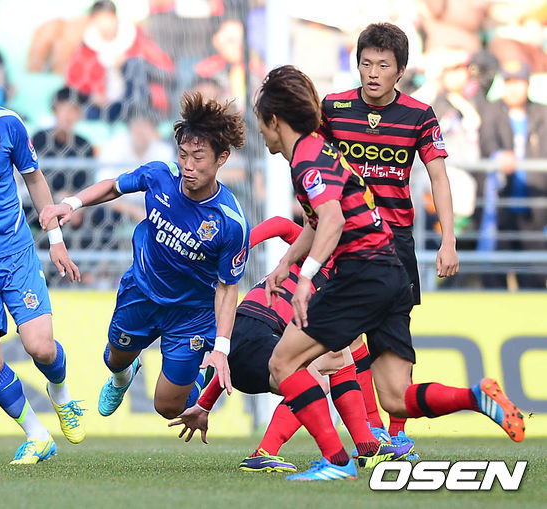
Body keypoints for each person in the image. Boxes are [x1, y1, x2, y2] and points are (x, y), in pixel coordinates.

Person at [254, 64, 524, 482]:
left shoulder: (306, 157)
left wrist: (305, 278)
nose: (261, 133)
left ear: (274, 121)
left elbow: (332, 220)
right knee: (396, 398)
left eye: (261, 123)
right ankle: (476, 397)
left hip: (362, 274)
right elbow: (319, 219)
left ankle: (336, 462)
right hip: (392, 272)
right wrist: (285, 263)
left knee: (282, 362)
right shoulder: (320, 149)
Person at [39, 91, 250, 423]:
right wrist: (71, 204)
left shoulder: (230, 222)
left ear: (222, 158)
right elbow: (114, 186)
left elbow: (227, 287)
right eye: (183, 155)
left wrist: (221, 349)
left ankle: (194, 378)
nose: (188, 166)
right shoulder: (160, 175)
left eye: (198, 158)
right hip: (141, 292)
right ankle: (123, 376)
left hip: (191, 315)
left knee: (167, 407)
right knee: (114, 359)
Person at [169, 216, 414, 471]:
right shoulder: (323, 254)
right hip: (256, 337)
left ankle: (368, 447)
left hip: (248, 345)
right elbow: (281, 224)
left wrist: (205, 405)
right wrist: (238, 249)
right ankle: (264, 452)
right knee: (316, 380)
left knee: (340, 358)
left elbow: (237, 354)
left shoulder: (334, 269)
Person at [318, 22, 459, 446]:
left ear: (400, 70)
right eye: (366, 64)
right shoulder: (334, 108)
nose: (373, 73)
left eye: (383, 65)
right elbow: (314, 165)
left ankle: (396, 438)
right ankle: (369, 432)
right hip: (344, 239)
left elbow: (439, 176)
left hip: (395, 243)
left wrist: (448, 240)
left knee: (393, 341)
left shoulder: (419, 114)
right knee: (337, 341)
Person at [0, 40, 85, 464]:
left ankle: (61, 394)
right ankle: (37, 435)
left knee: (41, 348)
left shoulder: (6, 124)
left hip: (14, 253)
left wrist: (55, 240)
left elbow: (34, 179)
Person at [477, 59, 547, 289]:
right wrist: (498, 155)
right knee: (494, 276)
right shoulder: (492, 109)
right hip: (500, 205)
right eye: (508, 82)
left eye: (518, 82)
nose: (513, 88)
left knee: (535, 278)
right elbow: (487, 140)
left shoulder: (541, 112)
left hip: (535, 206)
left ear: (528, 84)